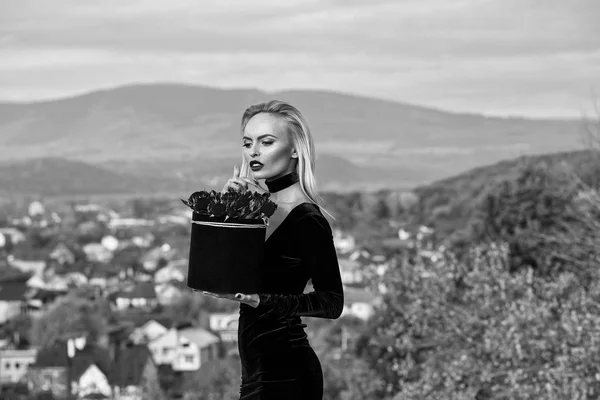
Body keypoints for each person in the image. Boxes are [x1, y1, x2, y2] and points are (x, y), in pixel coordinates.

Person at [202, 100, 344, 399]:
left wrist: (259, 299)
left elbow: (332, 303)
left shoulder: (307, 217)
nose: (253, 151)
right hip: (256, 371)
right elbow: (220, 278)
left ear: (295, 149)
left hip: (287, 374)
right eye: (247, 142)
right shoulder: (259, 210)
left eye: (266, 142)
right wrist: (229, 210)